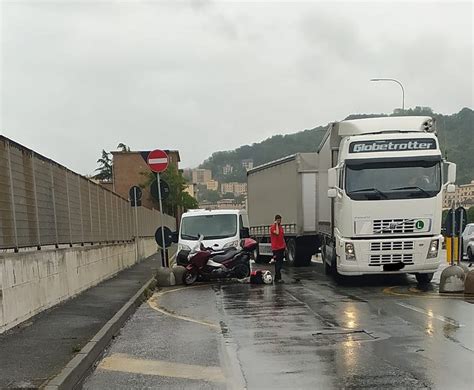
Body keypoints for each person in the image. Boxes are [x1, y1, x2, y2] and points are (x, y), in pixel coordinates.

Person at [270, 214, 286, 283]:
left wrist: (285, 246)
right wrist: (276, 225)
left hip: (281, 247)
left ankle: (278, 277)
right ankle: (277, 278)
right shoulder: (272, 227)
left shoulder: (281, 227)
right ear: (275, 220)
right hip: (276, 248)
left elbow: (282, 237)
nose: (279, 221)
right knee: (277, 263)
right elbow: (277, 233)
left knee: (280, 263)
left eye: (280, 220)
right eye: (278, 220)